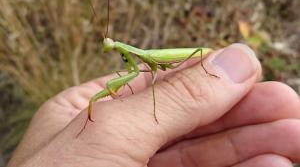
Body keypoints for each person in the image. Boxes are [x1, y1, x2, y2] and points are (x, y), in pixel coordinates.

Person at [7, 44, 300, 167]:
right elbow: (137, 73)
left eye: (113, 47)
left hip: (197, 56)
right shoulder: (135, 62)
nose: (111, 50)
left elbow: (151, 73)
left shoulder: (143, 57)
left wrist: (166, 102)